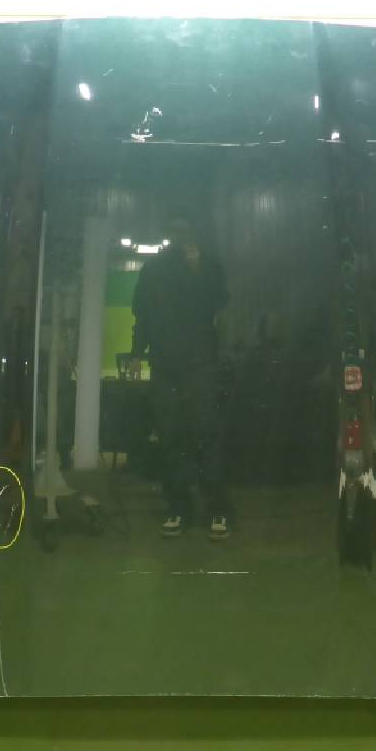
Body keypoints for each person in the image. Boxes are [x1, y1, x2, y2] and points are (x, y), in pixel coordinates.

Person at [130, 220, 231, 540]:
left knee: (205, 432)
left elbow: (219, 302)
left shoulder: (207, 264)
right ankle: (178, 507)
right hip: (167, 364)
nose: (181, 236)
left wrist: (198, 268)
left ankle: (217, 508)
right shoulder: (153, 270)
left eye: (186, 229)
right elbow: (142, 314)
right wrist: (136, 353)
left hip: (200, 362)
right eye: (176, 230)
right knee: (171, 436)